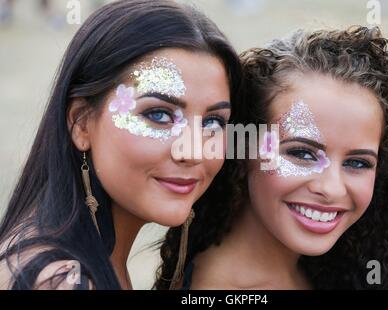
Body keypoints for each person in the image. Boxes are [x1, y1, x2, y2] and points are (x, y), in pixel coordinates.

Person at [154, 27, 388, 290]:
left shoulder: (330, 268)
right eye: (301, 153)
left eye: (357, 163)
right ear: (242, 150)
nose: (332, 189)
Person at [0, 0, 241, 290]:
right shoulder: (61, 281)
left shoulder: (78, 261)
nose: (194, 151)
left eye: (212, 122)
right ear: (81, 123)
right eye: (159, 115)